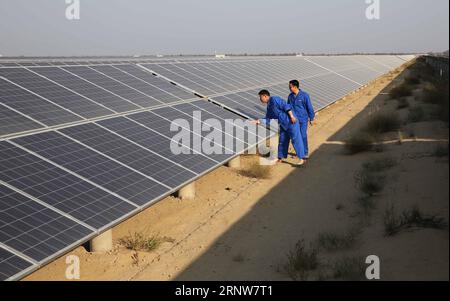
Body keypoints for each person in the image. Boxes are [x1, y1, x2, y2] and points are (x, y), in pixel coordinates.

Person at [254, 90, 306, 166]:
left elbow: (286, 106)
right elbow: (268, 118)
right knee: (282, 141)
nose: (260, 99)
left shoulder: (275, 99)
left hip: (291, 122)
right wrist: (259, 121)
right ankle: (280, 158)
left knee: (296, 140)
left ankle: (302, 158)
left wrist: (292, 117)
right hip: (283, 125)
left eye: (260, 97)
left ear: (265, 96)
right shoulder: (269, 107)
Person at [287, 80, 315, 159]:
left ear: (295, 87)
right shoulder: (290, 96)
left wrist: (311, 118)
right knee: (296, 137)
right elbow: (288, 107)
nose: (289, 88)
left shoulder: (304, 95)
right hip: (294, 120)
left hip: (303, 119)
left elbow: (309, 106)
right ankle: (299, 153)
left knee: (303, 135)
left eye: (290, 87)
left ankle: (305, 153)